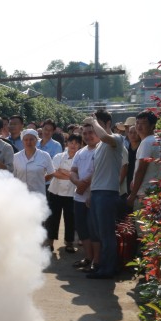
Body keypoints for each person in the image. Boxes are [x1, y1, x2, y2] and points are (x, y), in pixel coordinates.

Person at [82, 114, 123, 279]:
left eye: (97, 124)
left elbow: (105, 137)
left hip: (108, 193)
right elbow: (97, 172)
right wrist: (91, 193)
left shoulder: (117, 138)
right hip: (98, 193)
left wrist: (93, 122)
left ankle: (108, 269)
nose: (94, 128)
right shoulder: (99, 146)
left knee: (106, 234)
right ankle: (104, 266)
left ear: (107, 123)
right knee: (99, 233)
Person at [46, 133, 82, 254]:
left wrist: (63, 171)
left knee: (70, 219)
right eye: (71, 142)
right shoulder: (59, 156)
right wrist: (71, 175)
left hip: (72, 193)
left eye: (76, 143)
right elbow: (54, 173)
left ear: (80, 145)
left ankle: (69, 243)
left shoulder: (81, 159)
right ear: (67, 143)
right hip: (55, 191)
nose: (73, 145)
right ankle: (50, 243)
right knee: (53, 218)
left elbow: (80, 176)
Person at [69, 126, 99, 272]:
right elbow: (73, 171)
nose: (87, 136)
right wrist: (77, 182)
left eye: (90, 133)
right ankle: (88, 257)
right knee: (82, 229)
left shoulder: (102, 150)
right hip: (79, 196)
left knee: (94, 230)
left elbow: (98, 171)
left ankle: (96, 261)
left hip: (95, 196)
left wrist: (85, 183)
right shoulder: (80, 152)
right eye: (84, 133)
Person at [127, 109, 161, 208]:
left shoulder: (147, 142)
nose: (139, 126)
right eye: (137, 123)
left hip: (144, 195)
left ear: (152, 126)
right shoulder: (157, 139)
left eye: (143, 123)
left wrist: (132, 195)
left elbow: (141, 170)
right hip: (154, 192)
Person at [13, 129, 55, 194]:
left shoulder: (45, 155)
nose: (28, 142)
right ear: (22, 141)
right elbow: (13, 176)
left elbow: (51, 173)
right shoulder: (16, 157)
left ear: (37, 140)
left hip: (38, 194)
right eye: (26, 140)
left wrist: (41, 180)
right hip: (20, 194)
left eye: (31, 139)